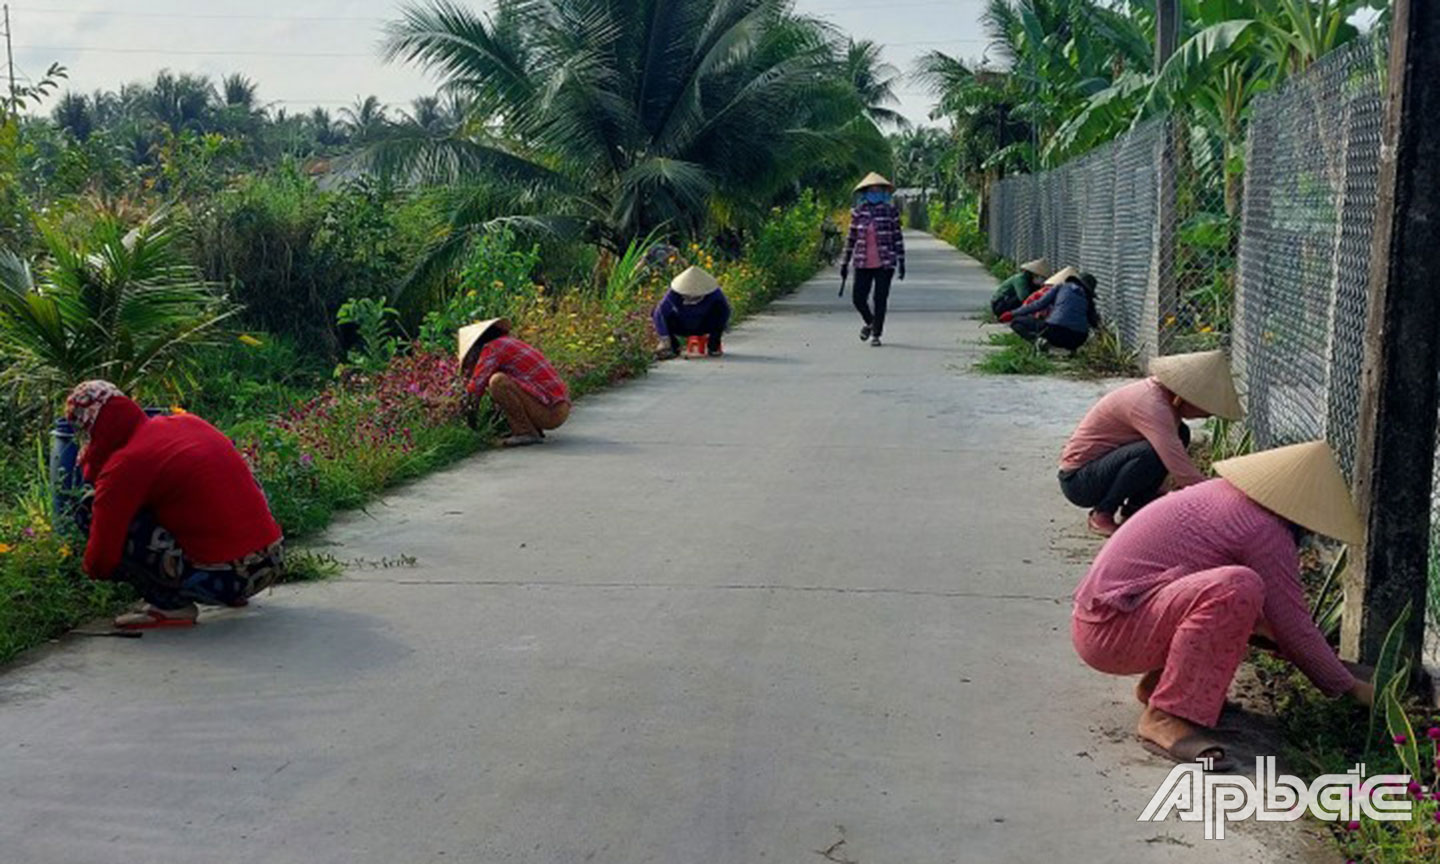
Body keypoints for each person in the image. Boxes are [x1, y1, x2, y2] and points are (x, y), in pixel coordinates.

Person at [1071, 441, 1373, 771]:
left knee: (1246, 603)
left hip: (1104, 620)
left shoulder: (1223, 495)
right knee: (1237, 589)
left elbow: (1273, 625)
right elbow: (1292, 627)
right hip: (1112, 634)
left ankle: (1161, 687)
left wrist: (1334, 667)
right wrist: (1348, 689)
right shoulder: (1264, 528)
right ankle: (1166, 716)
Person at [64, 381, 285, 630]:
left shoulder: (126, 464)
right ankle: (228, 590)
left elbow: (101, 560)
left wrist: (86, 576)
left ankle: (169, 606)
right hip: (270, 562)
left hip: (224, 579)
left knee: (88, 509)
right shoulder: (188, 423)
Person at [1059, 350, 1243, 536]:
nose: (1207, 414)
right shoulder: (1152, 405)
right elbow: (1179, 467)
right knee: (1151, 452)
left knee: (1181, 433)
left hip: (1102, 468)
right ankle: (1103, 513)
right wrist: (1219, 496)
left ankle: (1136, 507)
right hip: (1079, 481)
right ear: (1185, 395)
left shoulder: (1163, 400)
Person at [459, 317, 571, 447]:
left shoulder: (493, 347)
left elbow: (476, 386)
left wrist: (465, 416)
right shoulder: (507, 343)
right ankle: (531, 429)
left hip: (551, 412)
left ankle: (525, 431)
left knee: (497, 381)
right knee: (499, 381)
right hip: (558, 408)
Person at [841, 172, 906, 347]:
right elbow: (851, 238)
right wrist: (844, 262)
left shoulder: (890, 212)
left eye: (878, 190)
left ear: (884, 193)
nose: (875, 193)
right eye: (871, 190)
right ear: (865, 192)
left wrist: (901, 261)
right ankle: (870, 322)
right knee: (858, 298)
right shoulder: (858, 213)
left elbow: (897, 237)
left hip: (885, 262)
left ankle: (876, 334)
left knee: (880, 298)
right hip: (862, 262)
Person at [999, 268, 1099, 352]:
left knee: (1017, 322)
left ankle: (1040, 343)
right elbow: (1094, 322)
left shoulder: (1061, 287)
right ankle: (1069, 350)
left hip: (1055, 332)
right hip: (1078, 339)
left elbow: (1038, 304)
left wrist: (1012, 313)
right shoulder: (1088, 299)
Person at [653, 266, 731, 359]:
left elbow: (726, 310)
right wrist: (664, 339)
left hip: (704, 324)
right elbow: (660, 313)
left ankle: (713, 346)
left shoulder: (714, 293)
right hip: (682, 325)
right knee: (656, 311)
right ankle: (674, 348)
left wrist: (721, 328)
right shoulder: (673, 293)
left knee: (721, 309)